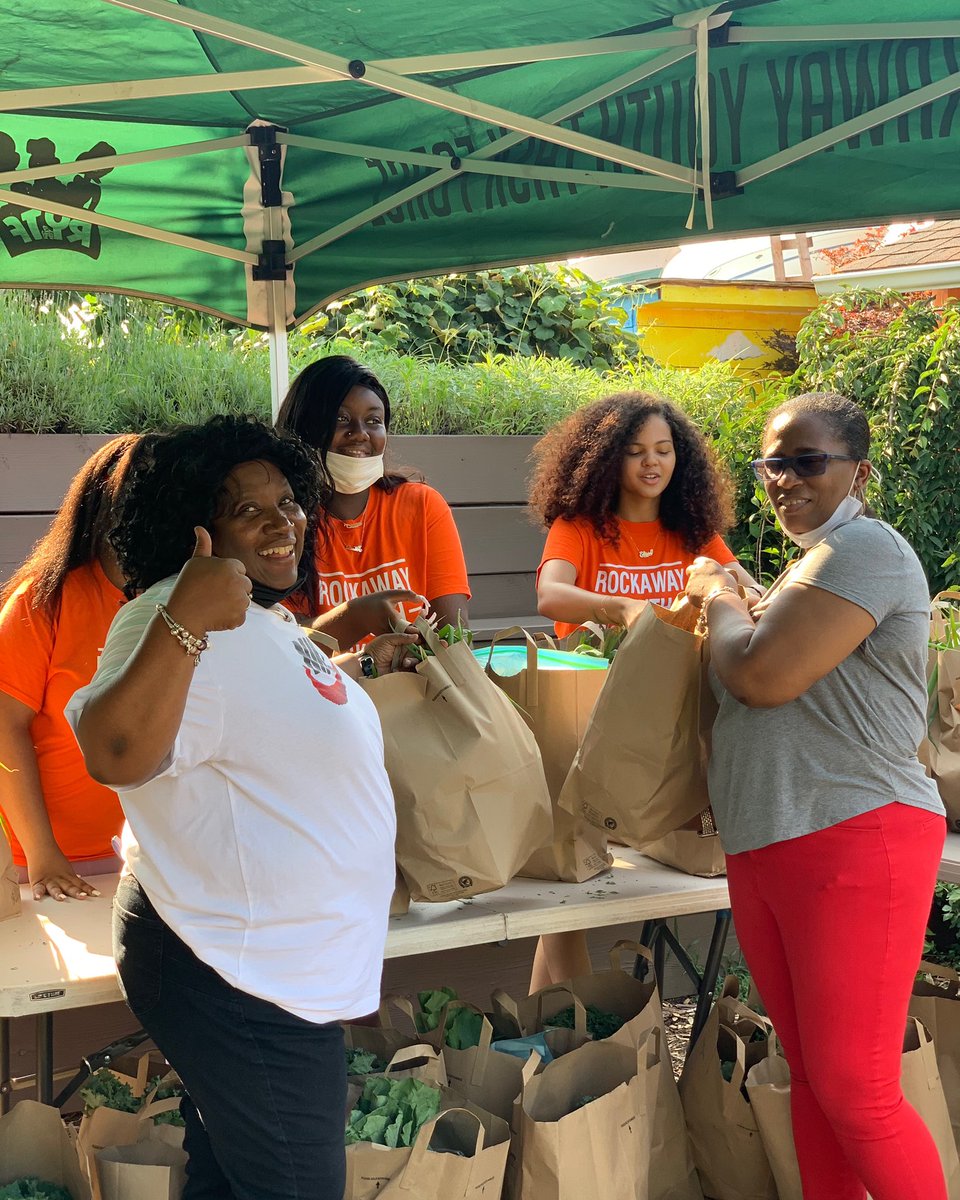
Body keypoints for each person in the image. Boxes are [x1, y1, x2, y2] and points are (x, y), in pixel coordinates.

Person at [66, 416, 416, 1200]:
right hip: (235, 972)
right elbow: (113, 751)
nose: (280, 520)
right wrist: (185, 616)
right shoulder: (169, 613)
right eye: (244, 508)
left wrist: (344, 642)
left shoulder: (254, 613)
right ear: (192, 525)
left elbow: (252, 709)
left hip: (271, 965)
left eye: (288, 501)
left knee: (227, 1179)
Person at [685, 392, 947, 1200]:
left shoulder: (864, 546)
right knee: (810, 1081)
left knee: (855, 1091)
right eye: (774, 462)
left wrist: (718, 598)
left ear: (858, 472)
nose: (786, 479)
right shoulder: (806, 567)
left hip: (855, 832)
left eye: (809, 461)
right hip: (774, 840)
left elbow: (763, 675)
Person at [527, 391, 758, 988]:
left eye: (664, 451)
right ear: (605, 460)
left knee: (579, 888)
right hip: (593, 713)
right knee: (573, 877)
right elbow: (551, 595)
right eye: (635, 452)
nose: (652, 464)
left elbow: (745, 587)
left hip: (668, 727)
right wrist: (626, 608)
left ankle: (550, 1020)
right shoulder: (579, 526)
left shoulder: (692, 531)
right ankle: (569, 1022)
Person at [0, 434, 145, 901]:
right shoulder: (43, 600)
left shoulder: (187, 598)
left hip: (149, 862)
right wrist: (43, 856)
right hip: (45, 868)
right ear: (104, 504)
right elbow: (4, 729)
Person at [276, 355, 470, 646]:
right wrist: (357, 618)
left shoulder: (422, 506)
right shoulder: (282, 520)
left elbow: (454, 634)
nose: (360, 433)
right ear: (304, 427)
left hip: (414, 684)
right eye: (340, 419)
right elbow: (283, 641)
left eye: (373, 421)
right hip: (322, 688)